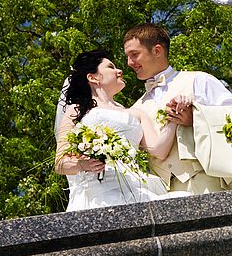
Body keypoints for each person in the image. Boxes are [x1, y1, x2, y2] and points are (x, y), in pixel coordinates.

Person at [54, 49, 192, 211]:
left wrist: (174, 115)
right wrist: (83, 164)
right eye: (111, 67)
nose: (119, 70)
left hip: (136, 185)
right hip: (99, 191)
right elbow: (60, 163)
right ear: (93, 77)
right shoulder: (76, 111)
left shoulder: (137, 114)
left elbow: (158, 150)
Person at [123, 23, 232, 195]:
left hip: (207, 182)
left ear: (157, 50)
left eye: (134, 55)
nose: (129, 63)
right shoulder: (137, 107)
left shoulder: (199, 80)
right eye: (127, 57)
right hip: (161, 194)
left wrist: (195, 118)